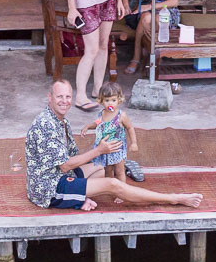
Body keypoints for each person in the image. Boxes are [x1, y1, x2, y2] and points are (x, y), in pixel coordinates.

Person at [25, 79, 202, 211]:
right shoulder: (46, 124)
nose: (64, 101)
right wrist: (99, 150)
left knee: (101, 168)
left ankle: (86, 191)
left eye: (68, 96)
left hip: (58, 173)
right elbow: (66, 165)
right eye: (59, 97)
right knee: (112, 184)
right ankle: (173, 199)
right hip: (49, 188)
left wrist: (104, 152)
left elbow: (70, 160)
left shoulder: (61, 120)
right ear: (50, 97)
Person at [79, 82, 138, 185]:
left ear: (119, 100)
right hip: (105, 148)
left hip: (117, 148)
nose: (110, 103)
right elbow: (98, 124)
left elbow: (130, 128)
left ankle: (122, 191)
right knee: (108, 171)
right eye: (107, 100)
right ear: (101, 101)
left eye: (113, 100)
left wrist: (134, 143)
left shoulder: (121, 116)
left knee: (119, 171)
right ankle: (110, 187)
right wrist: (88, 126)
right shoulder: (102, 113)